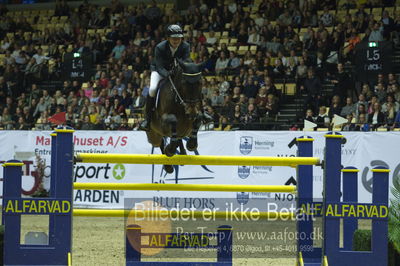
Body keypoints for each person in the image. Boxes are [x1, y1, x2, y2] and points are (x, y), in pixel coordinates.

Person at [140, 25, 190, 131]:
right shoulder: (160, 47)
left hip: (176, 71)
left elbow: (185, 62)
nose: (176, 40)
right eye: (174, 38)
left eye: (179, 38)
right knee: (153, 89)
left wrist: (178, 71)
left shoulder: (185, 46)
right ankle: (147, 119)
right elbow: (159, 66)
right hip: (159, 71)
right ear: (168, 38)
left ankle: (196, 113)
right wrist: (167, 74)